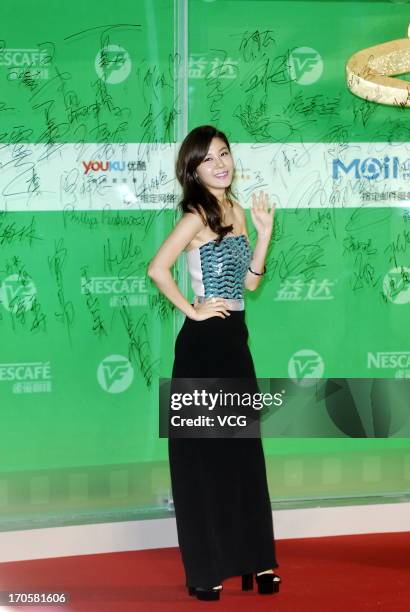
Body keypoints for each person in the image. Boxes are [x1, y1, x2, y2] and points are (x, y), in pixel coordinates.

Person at [147, 125, 281, 601]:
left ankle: (257, 561)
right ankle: (205, 568)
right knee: (200, 459)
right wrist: (192, 308)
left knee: (243, 455)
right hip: (202, 347)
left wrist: (263, 234)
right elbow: (157, 269)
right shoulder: (193, 215)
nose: (221, 164)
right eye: (208, 159)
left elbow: (249, 284)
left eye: (224, 154)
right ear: (193, 169)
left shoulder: (239, 211)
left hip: (235, 343)